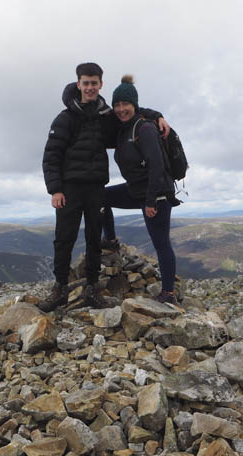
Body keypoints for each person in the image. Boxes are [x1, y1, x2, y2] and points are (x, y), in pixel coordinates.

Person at [40, 63, 167, 312]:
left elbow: (130, 115)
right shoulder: (65, 118)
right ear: (78, 84)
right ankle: (60, 289)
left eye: (94, 83)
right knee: (64, 239)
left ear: (100, 85)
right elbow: (51, 154)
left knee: (93, 239)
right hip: (69, 189)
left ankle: (91, 289)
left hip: (96, 186)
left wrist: (157, 115)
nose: (89, 87)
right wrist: (55, 189)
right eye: (85, 83)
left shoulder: (105, 117)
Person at [102, 75, 180, 304]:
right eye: (117, 104)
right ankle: (110, 240)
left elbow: (156, 166)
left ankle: (168, 294)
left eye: (125, 104)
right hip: (136, 189)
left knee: (161, 242)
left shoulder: (144, 129)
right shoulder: (124, 127)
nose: (120, 109)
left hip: (157, 194)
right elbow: (139, 109)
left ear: (133, 105)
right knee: (100, 197)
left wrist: (149, 202)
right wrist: (159, 114)